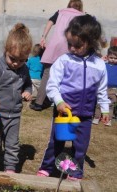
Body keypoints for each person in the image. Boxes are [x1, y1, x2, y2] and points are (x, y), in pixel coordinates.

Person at [37, 15, 110, 181]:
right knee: (56, 142)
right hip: (64, 112)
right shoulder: (63, 61)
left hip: (85, 115)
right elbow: (52, 85)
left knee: (80, 146)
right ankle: (47, 167)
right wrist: (59, 102)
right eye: (69, 44)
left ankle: (75, 171)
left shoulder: (99, 65)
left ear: (90, 42)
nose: (71, 48)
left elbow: (102, 89)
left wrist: (105, 108)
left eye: (77, 45)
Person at [0, 23, 33, 173]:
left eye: (22, 60)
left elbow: (28, 84)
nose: (16, 64)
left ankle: (10, 166)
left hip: (14, 115)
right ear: (6, 50)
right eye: (13, 58)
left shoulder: (24, 69)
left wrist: (28, 91)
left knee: (12, 143)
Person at [30, 0, 84, 111]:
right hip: (70, 46)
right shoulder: (82, 16)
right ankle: (63, 102)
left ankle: (38, 103)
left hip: (55, 46)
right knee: (67, 76)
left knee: (46, 75)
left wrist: (44, 36)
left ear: (69, 4)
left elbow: (50, 22)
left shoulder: (60, 12)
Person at [93, 46, 117, 126]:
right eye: (111, 57)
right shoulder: (103, 64)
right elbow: (96, 66)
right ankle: (97, 117)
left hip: (113, 89)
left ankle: (108, 119)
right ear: (107, 56)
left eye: (115, 58)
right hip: (103, 87)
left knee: (110, 105)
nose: (113, 59)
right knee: (99, 103)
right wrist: (101, 60)